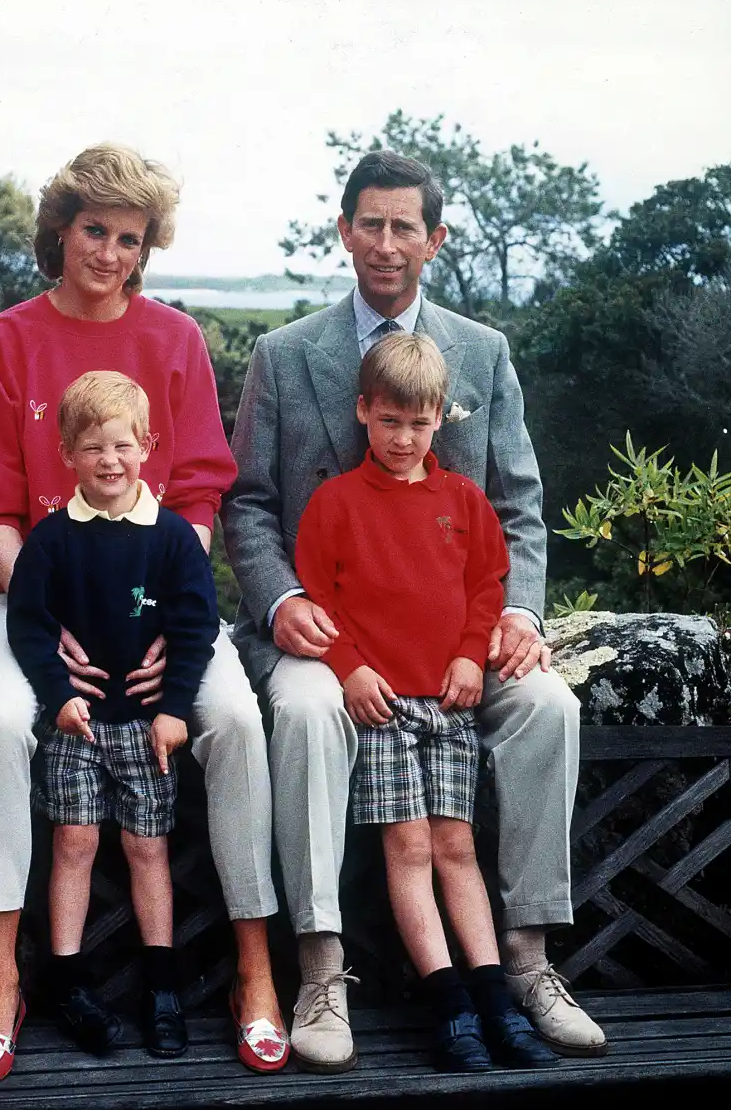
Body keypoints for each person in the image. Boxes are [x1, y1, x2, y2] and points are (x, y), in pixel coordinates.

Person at [223, 149, 608, 1063]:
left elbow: (515, 504)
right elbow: (245, 503)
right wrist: (278, 599)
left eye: (405, 227)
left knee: (548, 704)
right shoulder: (285, 355)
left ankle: (524, 959)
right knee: (310, 710)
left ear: (434, 239)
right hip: (329, 637)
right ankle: (321, 969)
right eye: (370, 223)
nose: (386, 244)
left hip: (458, 643)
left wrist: (518, 614)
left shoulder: (482, 352)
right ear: (345, 229)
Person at [0, 144, 289, 1086]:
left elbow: (196, 498)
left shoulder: (175, 341)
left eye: (129, 239)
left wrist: (158, 629)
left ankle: (255, 972)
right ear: (60, 230)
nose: (109, 252)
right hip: (37, 601)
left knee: (234, 717)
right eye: (93, 230)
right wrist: (43, 606)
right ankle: (0, 982)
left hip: (158, 606)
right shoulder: (4, 340)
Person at [295, 332, 558, 1071]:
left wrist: (473, 653)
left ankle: (495, 1000)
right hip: (381, 706)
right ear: (363, 413)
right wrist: (348, 669)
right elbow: (317, 602)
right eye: (388, 422)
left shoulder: (463, 502)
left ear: (441, 417)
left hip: (448, 701)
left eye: (418, 423)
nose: (403, 438)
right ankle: (449, 1006)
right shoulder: (335, 503)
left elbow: (487, 588)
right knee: (408, 848)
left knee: (456, 848)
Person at [6, 371, 218, 1058]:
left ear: (149, 446)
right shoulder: (51, 540)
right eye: (93, 446)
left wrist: (177, 709)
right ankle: (67, 981)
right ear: (66, 451)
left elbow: (196, 628)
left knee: (148, 847)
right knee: (73, 842)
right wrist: (57, 694)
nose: (109, 460)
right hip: (79, 722)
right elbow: (32, 628)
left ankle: (162, 985)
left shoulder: (173, 539)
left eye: (124, 445)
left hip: (147, 724)